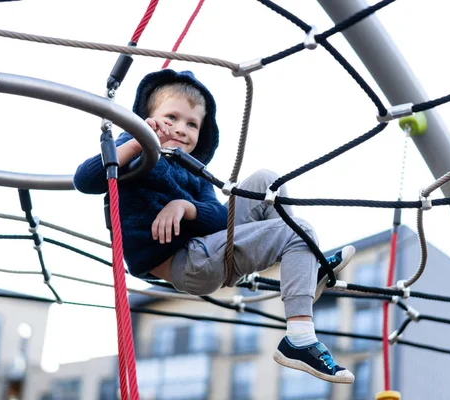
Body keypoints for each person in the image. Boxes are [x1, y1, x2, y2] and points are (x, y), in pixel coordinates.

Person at [74, 69, 356, 384]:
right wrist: (138, 142)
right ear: (149, 119)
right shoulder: (134, 150)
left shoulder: (194, 171)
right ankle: (300, 338)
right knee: (297, 230)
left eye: (192, 124)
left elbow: (219, 218)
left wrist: (186, 207)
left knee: (267, 181)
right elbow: (85, 180)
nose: (181, 129)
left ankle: (303, 268)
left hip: (210, 249)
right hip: (188, 263)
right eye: (171, 117)